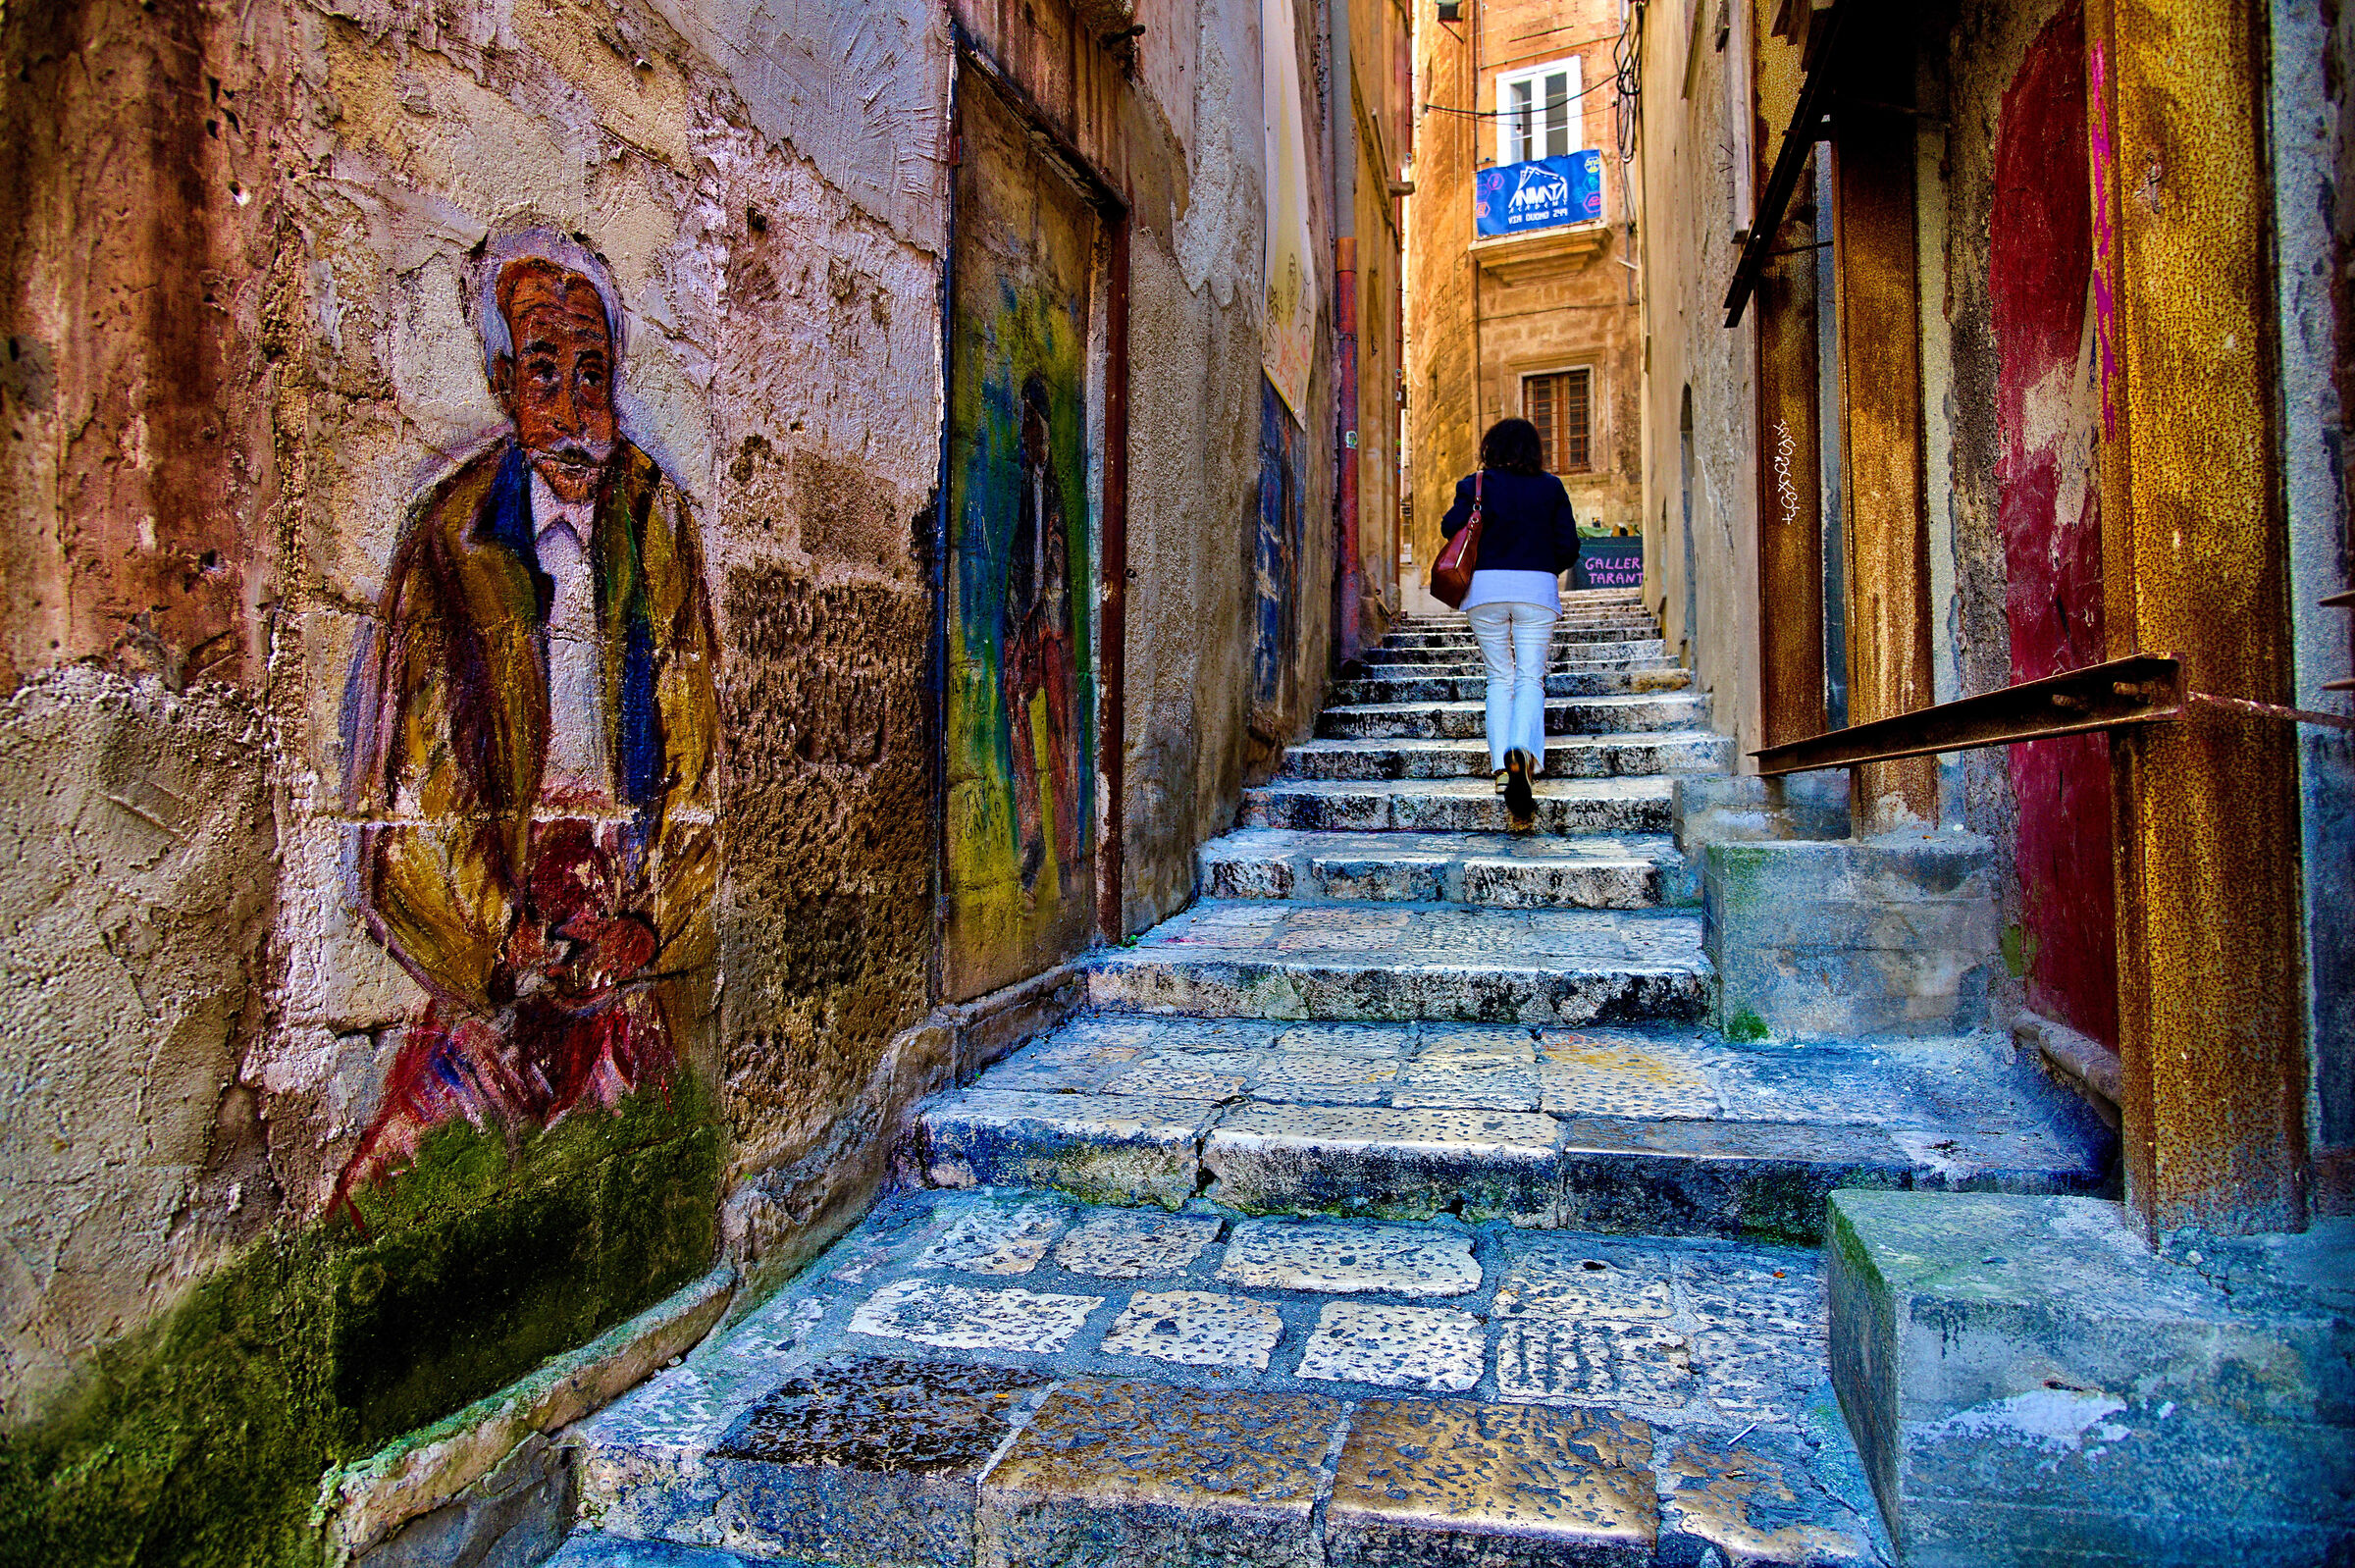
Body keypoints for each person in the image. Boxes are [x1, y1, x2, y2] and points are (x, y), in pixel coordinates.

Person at [334, 227, 719, 1215]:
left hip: (619, 905)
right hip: (500, 901)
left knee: (633, 1162)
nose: (580, 411)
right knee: (407, 1189)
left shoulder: (655, 518)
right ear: (507, 385)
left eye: (597, 375)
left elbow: (695, 762)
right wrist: (506, 939)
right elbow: (409, 796)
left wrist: (648, 916)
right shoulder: (452, 537)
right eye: (548, 376)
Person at [1439, 416, 1581, 828]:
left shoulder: (1476, 484)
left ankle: (1503, 768)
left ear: (1491, 448)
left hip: (1484, 589)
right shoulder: (1551, 487)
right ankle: (1522, 752)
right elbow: (1568, 546)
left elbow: (1450, 528)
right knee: (1530, 678)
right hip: (1536, 587)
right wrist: (1540, 567)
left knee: (1499, 676)